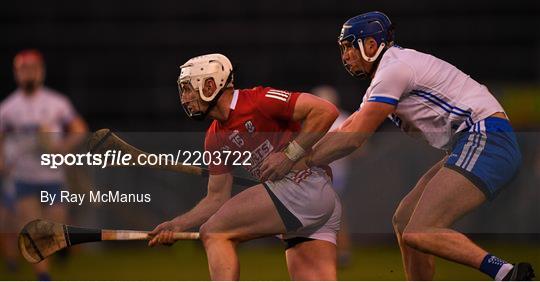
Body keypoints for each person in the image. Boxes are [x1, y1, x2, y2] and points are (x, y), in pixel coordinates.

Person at [260, 12, 535, 281]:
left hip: (486, 136)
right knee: (404, 222)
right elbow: (345, 128)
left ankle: (507, 273)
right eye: (342, 49)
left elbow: (354, 137)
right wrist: (297, 156)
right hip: (475, 140)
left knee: (421, 230)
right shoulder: (387, 75)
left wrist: (294, 160)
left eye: (349, 47)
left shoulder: (394, 68)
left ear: (371, 44)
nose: (345, 56)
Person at [148, 53, 341, 280]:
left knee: (214, 232)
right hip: (308, 203)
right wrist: (177, 224)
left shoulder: (258, 100)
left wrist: (289, 155)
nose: (185, 98)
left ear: (210, 85)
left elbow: (326, 111)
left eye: (189, 88)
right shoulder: (214, 137)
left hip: (303, 187)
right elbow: (216, 199)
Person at [0, 49, 88, 280]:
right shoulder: (8, 108)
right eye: (23, 69)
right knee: (32, 229)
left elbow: (79, 130)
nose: (28, 74)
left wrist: (61, 147)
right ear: (16, 73)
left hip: (52, 178)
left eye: (32, 69)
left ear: (41, 72)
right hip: (24, 179)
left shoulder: (57, 103)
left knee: (55, 229)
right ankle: (43, 276)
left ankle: (61, 250)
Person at [311, 85, 353, 268]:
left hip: (329, 174)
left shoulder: (335, 119)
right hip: (336, 174)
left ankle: (335, 253)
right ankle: (336, 253)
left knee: (327, 215)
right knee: (333, 215)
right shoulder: (344, 118)